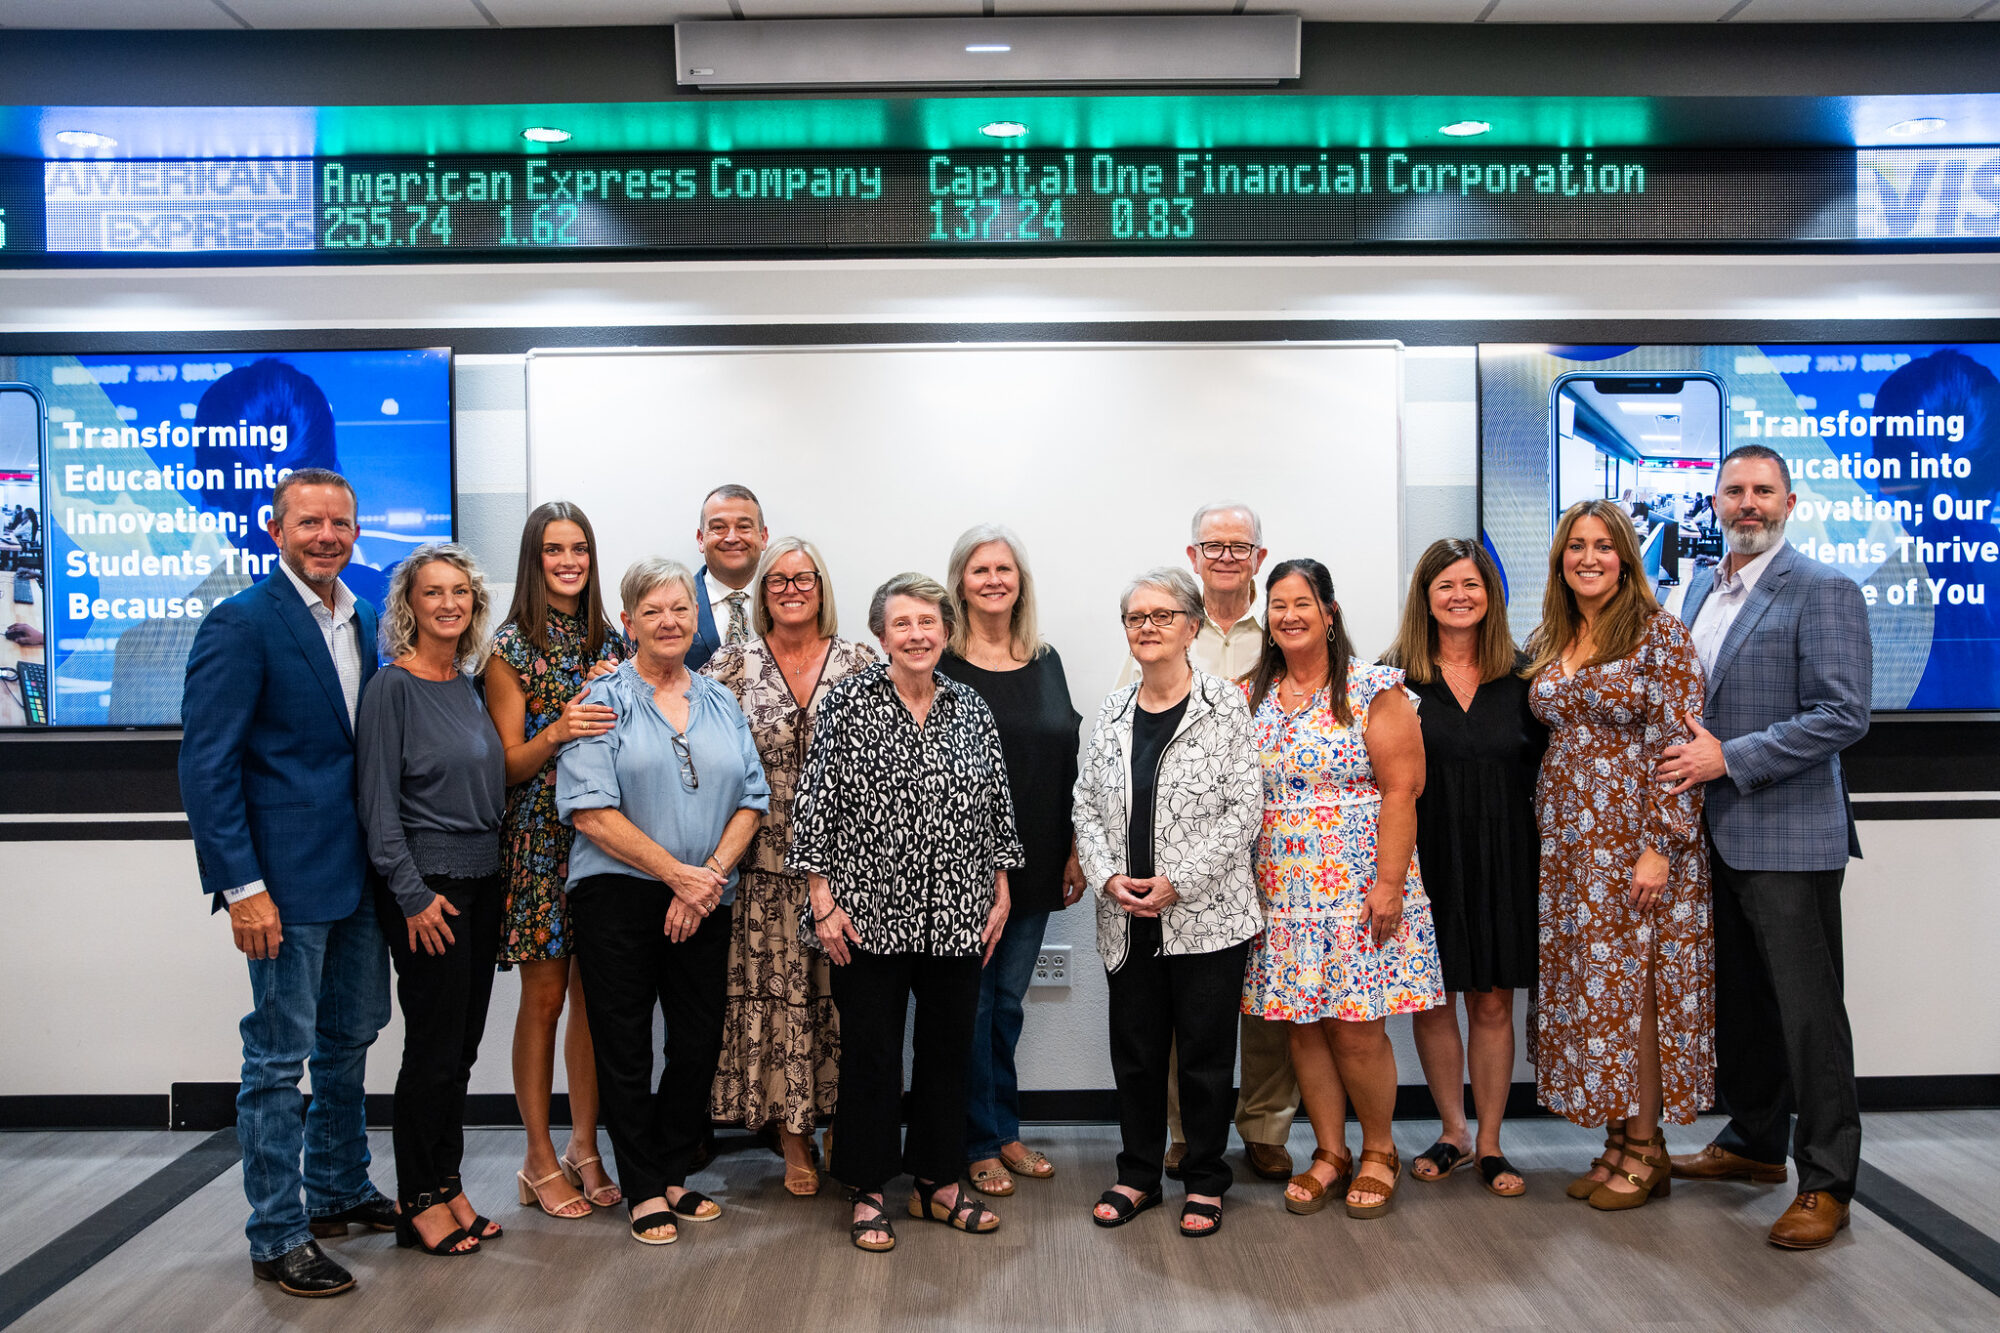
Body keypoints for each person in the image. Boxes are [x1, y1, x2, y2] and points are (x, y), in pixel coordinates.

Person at [179, 468, 392, 1299]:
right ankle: (278, 1231)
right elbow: (207, 765)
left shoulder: (362, 617)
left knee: (350, 1043)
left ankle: (338, 1187)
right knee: (276, 1060)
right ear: (275, 529)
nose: (327, 535)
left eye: (340, 522)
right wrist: (241, 886)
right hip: (282, 886)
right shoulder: (241, 623)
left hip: (356, 877)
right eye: (310, 522)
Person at [1662, 446, 1873, 1250]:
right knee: (1744, 1005)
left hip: (1789, 835)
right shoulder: (1698, 590)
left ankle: (1828, 1180)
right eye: (1734, 492)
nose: (1747, 504)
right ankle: (1753, 1144)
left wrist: (1730, 757)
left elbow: (1843, 713)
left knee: (1809, 1014)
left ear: (1790, 499)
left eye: (1761, 491)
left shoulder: (1822, 588)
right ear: (1714, 502)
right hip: (1713, 837)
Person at [789, 573, 1023, 1253]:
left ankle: (936, 1183)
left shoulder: (971, 707)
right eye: (903, 624)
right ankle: (866, 1189)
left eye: (929, 622)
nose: (918, 634)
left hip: (959, 909)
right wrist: (822, 900)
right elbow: (814, 808)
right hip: (865, 916)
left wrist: (1001, 885)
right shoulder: (848, 705)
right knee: (871, 1057)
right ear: (881, 635)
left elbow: (996, 805)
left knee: (949, 1052)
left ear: (946, 631)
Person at [557, 558, 770, 1246]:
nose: (669, 621)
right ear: (629, 622)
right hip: (617, 895)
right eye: (652, 610)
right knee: (623, 1044)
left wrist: (703, 877)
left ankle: (675, 1168)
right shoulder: (601, 699)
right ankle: (643, 1186)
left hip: (706, 895)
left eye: (680, 608)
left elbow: (752, 799)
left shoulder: (719, 699)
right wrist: (679, 874)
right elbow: (590, 811)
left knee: (697, 1037)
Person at [1241, 558, 1443, 1221]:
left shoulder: (1372, 689)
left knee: (1357, 1031)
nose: (1290, 615)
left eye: (1303, 602)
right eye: (1278, 606)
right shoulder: (1256, 695)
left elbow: (1401, 791)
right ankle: (1330, 1152)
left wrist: (1388, 885)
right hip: (1287, 896)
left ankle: (1379, 1148)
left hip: (1362, 890)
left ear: (1329, 613)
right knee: (1306, 1029)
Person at [1526, 499, 1713, 1212]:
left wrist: (1659, 847)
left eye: (1604, 545)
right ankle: (1617, 1139)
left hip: (1638, 845)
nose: (1589, 557)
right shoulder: (1556, 632)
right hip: (1572, 852)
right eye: (1576, 545)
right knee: (1593, 994)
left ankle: (1646, 1144)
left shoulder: (1661, 634)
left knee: (1636, 996)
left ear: (1628, 556)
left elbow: (1679, 746)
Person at [1074, 567, 1262, 1239]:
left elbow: (1245, 809)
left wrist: (1177, 878)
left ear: (1190, 625)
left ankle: (1206, 1179)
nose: (1147, 627)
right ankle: (1138, 1174)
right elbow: (1086, 805)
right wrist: (1106, 877)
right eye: (1136, 617)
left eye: (1162, 615)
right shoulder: (1114, 710)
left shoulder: (1225, 705)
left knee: (1208, 1058)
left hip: (1207, 916)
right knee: (1138, 1055)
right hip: (1127, 918)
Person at [1117, 501, 1297, 1184]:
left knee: (1268, 997)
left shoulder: (1281, 625)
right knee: (1182, 1004)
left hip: (1278, 845)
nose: (1226, 555)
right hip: (1180, 864)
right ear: (1193, 556)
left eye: (1239, 544)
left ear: (1259, 554)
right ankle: (1186, 1131)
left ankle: (1266, 1125)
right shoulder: (1163, 625)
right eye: (1212, 544)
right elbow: (1119, 748)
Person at [700, 537, 877, 1196]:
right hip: (766, 871)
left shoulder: (862, 660)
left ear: (822, 585)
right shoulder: (732, 664)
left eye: (804, 577)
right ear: (762, 590)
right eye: (778, 579)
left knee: (847, 1010)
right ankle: (794, 1139)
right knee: (781, 1011)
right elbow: (678, 716)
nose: (791, 587)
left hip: (848, 871)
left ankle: (844, 1129)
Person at [355, 544, 506, 1257]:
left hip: (481, 884)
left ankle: (447, 1182)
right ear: (408, 606)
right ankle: (417, 1197)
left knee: (462, 1051)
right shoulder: (393, 686)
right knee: (433, 1051)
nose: (448, 603)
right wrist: (413, 896)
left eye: (460, 592)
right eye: (432, 592)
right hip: (429, 893)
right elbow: (378, 807)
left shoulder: (467, 684)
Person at [1383, 539, 1545, 1199]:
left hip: (1508, 856)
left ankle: (1491, 1143)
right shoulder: (1392, 677)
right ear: (1425, 596)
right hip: (1426, 858)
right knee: (1434, 997)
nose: (1459, 595)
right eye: (1445, 584)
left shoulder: (1528, 675)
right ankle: (1451, 1130)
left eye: (1471, 584)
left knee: (1492, 999)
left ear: (1491, 595)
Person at [484, 502, 625, 1220]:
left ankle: (584, 1145)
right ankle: (537, 1157)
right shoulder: (511, 646)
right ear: (533, 560)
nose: (568, 560)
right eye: (553, 550)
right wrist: (563, 724)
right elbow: (505, 765)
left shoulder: (613, 637)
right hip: (540, 839)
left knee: (594, 1004)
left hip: (604, 837)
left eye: (579, 548)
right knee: (544, 999)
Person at [940, 525, 1085, 1198]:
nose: (994, 578)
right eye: (980, 569)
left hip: (1037, 859)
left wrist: (1077, 848)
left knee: (1006, 1005)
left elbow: (1069, 759)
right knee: (968, 1006)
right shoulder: (939, 661)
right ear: (959, 582)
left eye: (1004, 568)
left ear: (1019, 580)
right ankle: (976, 1139)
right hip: (962, 866)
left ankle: (1004, 1128)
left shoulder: (1045, 658)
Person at [686, 483, 769, 671]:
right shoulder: (666, 604)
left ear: (763, 537)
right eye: (719, 527)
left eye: (743, 527)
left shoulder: (791, 601)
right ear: (701, 539)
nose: (732, 537)